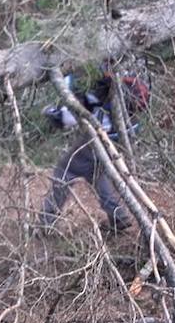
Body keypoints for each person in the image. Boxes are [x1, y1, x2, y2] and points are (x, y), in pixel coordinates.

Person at [39, 62, 150, 234]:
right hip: (117, 139)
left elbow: (72, 116)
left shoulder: (96, 88)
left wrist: (52, 114)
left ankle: (46, 222)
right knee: (96, 174)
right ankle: (118, 217)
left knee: (65, 171)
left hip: (97, 138)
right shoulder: (114, 85)